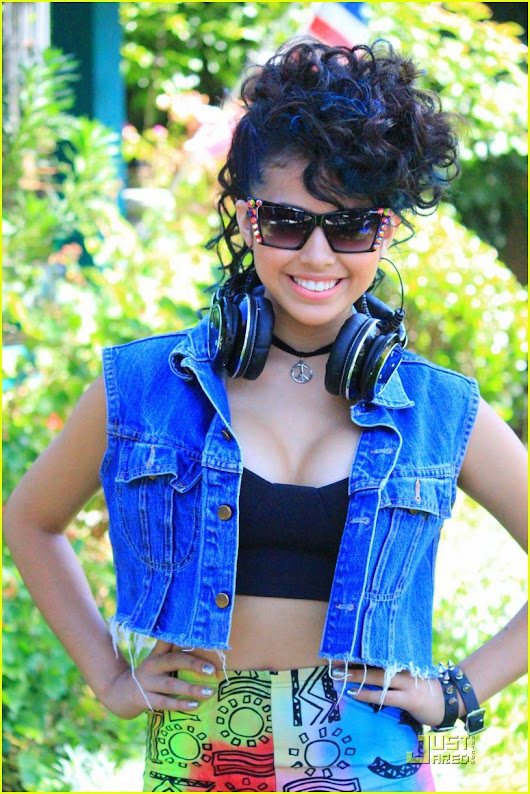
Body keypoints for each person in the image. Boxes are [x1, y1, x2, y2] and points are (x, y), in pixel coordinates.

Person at [4, 37, 527, 794]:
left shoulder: (439, 408)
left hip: (371, 747)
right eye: (285, 221)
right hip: (204, 743)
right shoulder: (147, 385)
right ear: (247, 221)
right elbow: (30, 520)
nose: (317, 254)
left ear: (385, 231)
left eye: (351, 226)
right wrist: (109, 677)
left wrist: (457, 693)